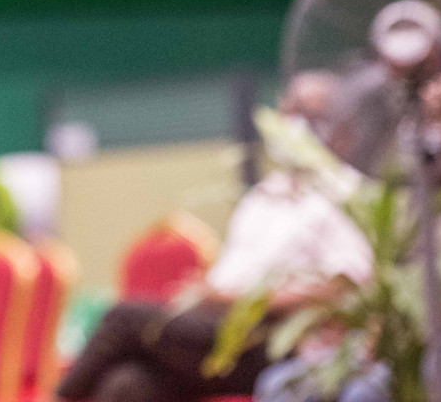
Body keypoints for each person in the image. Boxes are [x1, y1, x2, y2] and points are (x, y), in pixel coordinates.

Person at [55, 73, 373, 402]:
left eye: (311, 114)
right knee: (127, 385)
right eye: (290, 109)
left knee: (123, 318)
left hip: (270, 338)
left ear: (344, 130)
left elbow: (347, 287)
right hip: (216, 327)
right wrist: (206, 291)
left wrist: (248, 298)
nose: (295, 123)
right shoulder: (264, 196)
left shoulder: (347, 195)